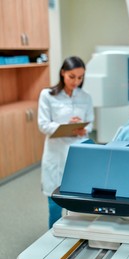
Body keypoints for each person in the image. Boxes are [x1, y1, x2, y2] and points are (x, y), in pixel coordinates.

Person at [38, 56, 94, 229]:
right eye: (72, 76)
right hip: (56, 154)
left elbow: (90, 122)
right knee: (55, 205)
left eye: (80, 77)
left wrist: (83, 128)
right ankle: (54, 241)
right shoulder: (47, 95)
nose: (76, 81)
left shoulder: (86, 97)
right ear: (62, 73)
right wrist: (66, 126)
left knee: (79, 206)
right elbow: (43, 124)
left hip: (79, 154)